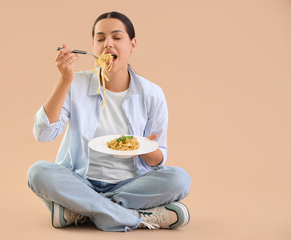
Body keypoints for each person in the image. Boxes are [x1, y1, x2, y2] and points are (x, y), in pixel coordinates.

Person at [27, 11, 191, 232]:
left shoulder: (152, 93)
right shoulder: (75, 84)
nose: (108, 44)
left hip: (131, 185)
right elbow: (43, 134)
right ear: (93, 46)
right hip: (80, 180)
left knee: (179, 179)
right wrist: (64, 80)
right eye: (100, 38)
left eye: (117, 37)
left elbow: (158, 158)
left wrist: (144, 148)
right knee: (38, 173)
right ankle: (135, 218)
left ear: (132, 44)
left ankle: (79, 211)